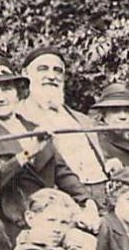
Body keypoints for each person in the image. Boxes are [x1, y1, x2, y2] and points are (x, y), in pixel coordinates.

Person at [0, 58, 93, 250]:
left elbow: (61, 170)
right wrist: (27, 152)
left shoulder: (34, 127)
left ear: (18, 93)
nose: (1, 96)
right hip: (12, 230)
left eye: (7, 89)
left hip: (53, 223)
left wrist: (87, 202)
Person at [15, 46, 111, 204]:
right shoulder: (18, 116)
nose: (51, 76)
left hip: (100, 194)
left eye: (58, 70)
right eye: (42, 69)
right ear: (25, 74)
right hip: (56, 198)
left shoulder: (81, 119)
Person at [12, 188, 101, 250]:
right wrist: (76, 235)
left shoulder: (65, 243)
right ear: (30, 218)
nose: (57, 229)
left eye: (64, 222)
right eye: (51, 220)